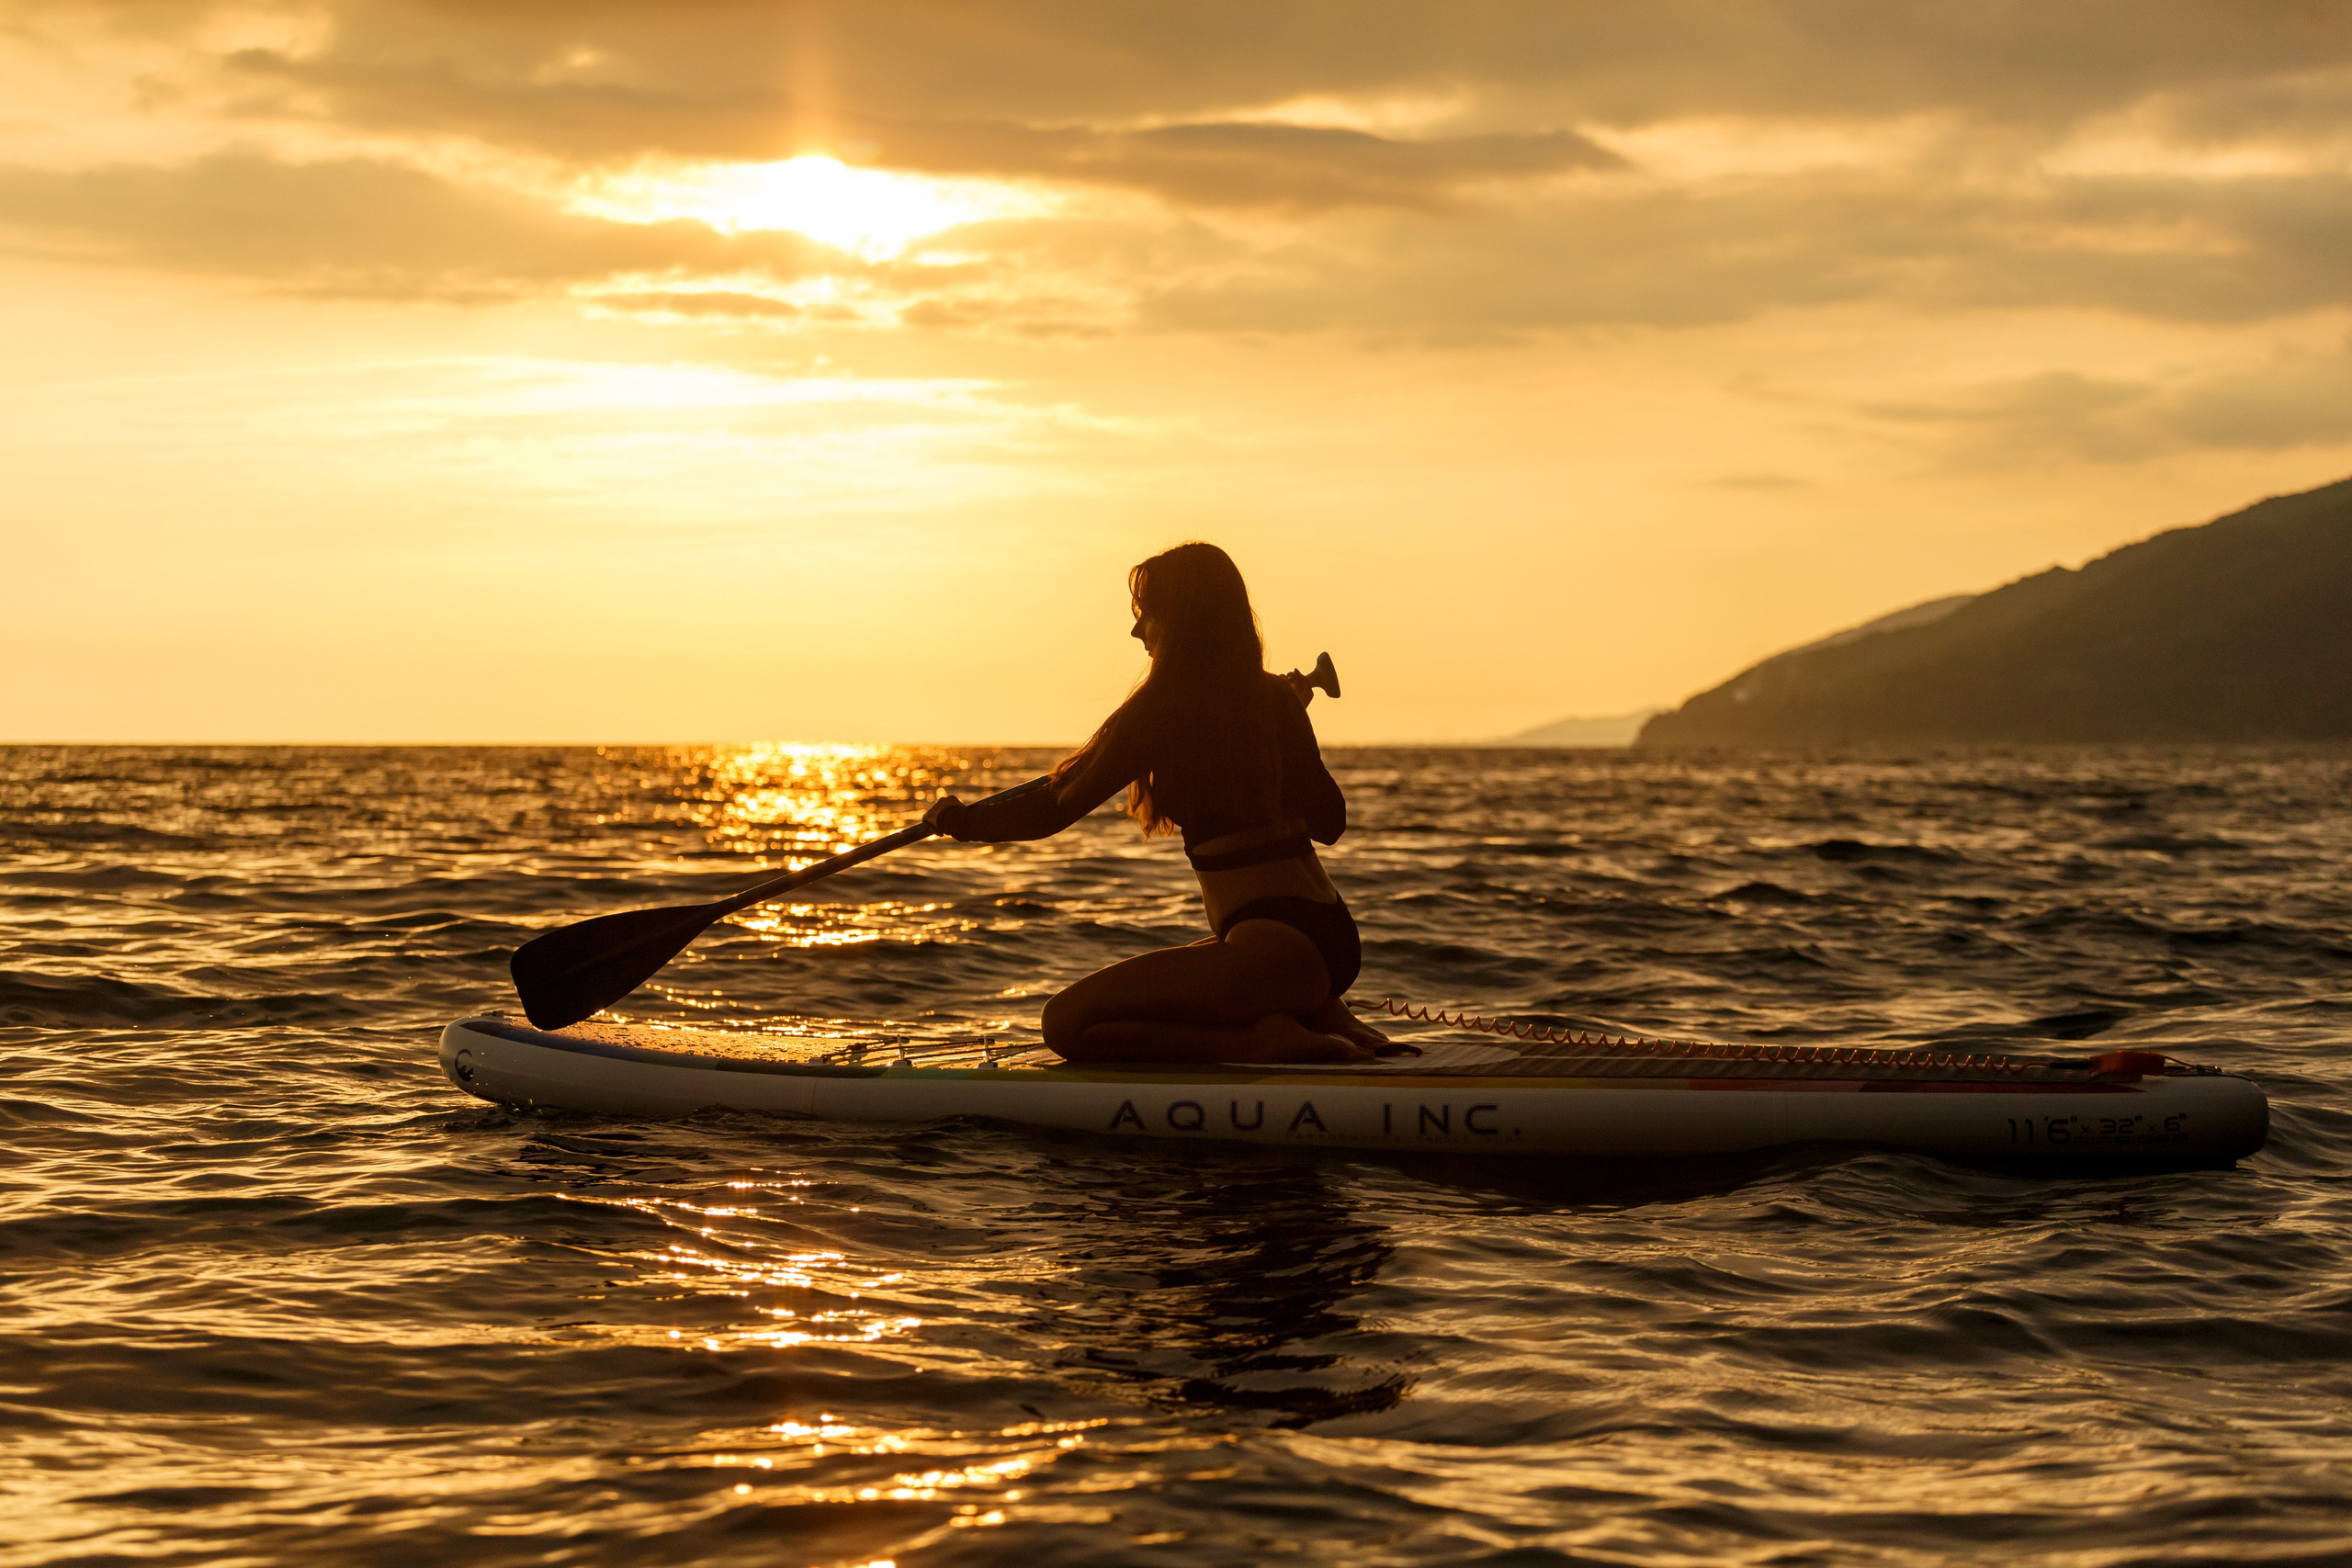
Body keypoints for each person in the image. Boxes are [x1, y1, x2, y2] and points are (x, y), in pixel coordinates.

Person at [923, 542, 1402, 1065]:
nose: (1137, 631)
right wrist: (1283, 720)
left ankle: (1262, 1041)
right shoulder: (1273, 700)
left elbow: (1053, 809)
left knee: (1066, 1024)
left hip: (1278, 950)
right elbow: (1330, 823)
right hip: (1331, 939)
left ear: (1181, 621)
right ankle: (1323, 1016)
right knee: (1199, 967)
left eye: (1147, 615)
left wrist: (959, 821)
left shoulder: (1163, 708)